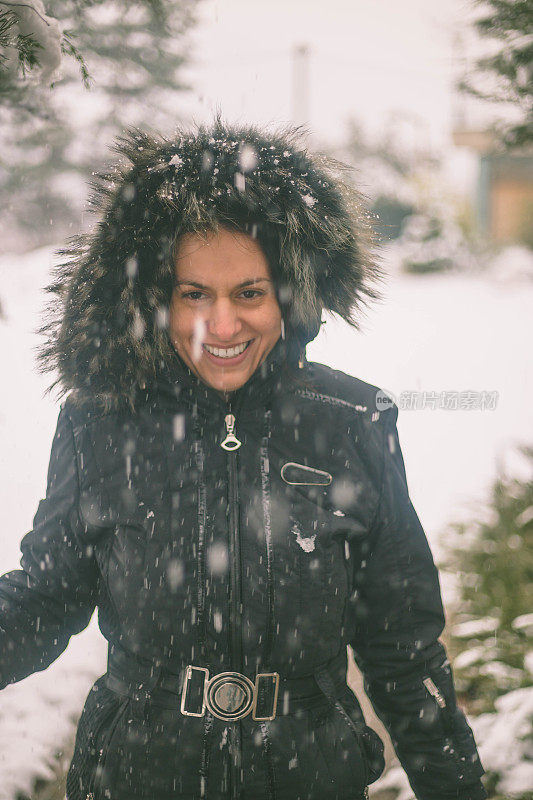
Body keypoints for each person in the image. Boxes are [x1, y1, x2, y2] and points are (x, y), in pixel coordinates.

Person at [0, 121, 487, 800]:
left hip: (312, 773)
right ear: (154, 299)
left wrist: (454, 786)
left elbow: (401, 648)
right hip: (136, 774)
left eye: (249, 293)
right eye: (193, 293)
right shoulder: (102, 422)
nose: (221, 326)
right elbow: (49, 596)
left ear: (290, 294)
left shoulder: (353, 424)